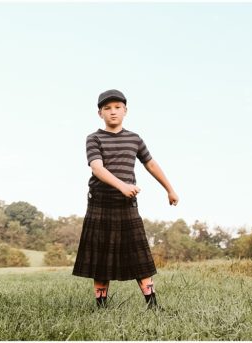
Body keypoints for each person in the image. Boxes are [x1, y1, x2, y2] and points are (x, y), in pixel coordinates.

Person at [72, 89, 178, 310]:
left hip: (127, 205)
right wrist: (122, 186)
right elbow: (96, 167)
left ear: (125, 111)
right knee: (101, 258)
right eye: (107, 108)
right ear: (99, 113)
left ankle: (153, 306)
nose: (113, 112)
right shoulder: (94, 138)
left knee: (139, 256)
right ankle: (101, 308)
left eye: (117, 108)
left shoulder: (134, 139)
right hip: (100, 202)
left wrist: (170, 189)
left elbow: (150, 164)